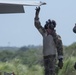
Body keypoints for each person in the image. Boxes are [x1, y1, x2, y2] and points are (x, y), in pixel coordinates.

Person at [34, 7, 63, 75]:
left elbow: (60, 48)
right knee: (47, 73)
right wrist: (37, 14)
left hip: (52, 58)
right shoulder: (44, 33)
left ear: (52, 28)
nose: (46, 29)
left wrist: (60, 60)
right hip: (45, 57)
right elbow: (37, 25)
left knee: (51, 73)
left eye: (48, 28)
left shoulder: (56, 37)